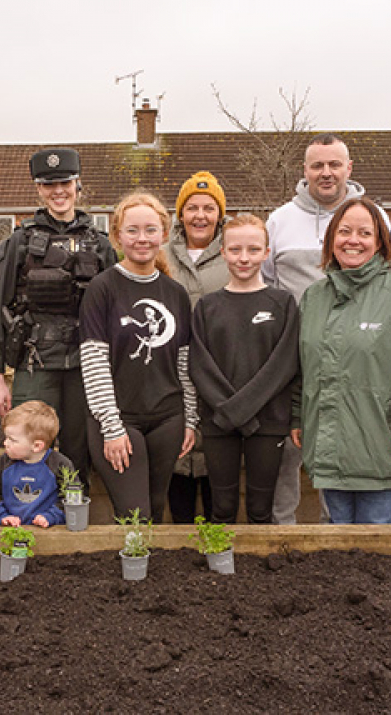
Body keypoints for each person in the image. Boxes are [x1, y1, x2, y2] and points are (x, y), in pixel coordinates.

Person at [292, 198, 391, 524]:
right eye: (345, 231)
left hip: (383, 445)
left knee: (376, 543)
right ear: (331, 238)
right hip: (329, 445)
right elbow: (301, 367)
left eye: (364, 232)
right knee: (334, 536)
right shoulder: (314, 297)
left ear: (380, 242)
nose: (353, 240)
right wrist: (298, 416)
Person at [262, 133, 390, 525]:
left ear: (349, 168)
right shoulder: (280, 221)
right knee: (288, 451)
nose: (326, 172)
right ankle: (283, 530)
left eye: (335, 164)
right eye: (317, 165)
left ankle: (331, 534)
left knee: (340, 447)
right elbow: (267, 286)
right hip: (293, 359)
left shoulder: (374, 217)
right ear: (305, 170)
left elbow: (385, 281)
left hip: (352, 357)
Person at [0, 148, 116, 479]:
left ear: (77, 184)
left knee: (80, 449)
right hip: (35, 361)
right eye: (49, 184)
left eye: (65, 183)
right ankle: (23, 517)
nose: (58, 191)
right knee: (25, 445)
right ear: (39, 189)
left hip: (86, 362)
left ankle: (75, 515)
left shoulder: (99, 243)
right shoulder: (20, 241)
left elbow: (117, 307)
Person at [80, 192, 197, 522]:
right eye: (132, 230)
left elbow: (183, 363)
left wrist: (189, 419)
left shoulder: (175, 292)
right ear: (117, 236)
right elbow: (94, 362)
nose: (142, 239)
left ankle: (149, 573)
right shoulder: (102, 289)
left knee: (156, 507)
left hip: (167, 417)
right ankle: (131, 573)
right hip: (119, 417)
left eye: (150, 229)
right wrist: (112, 426)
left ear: (163, 233)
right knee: (135, 513)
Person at [189, 214, 299, 524]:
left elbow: (283, 365)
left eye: (253, 250)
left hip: (267, 423)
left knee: (261, 508)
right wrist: (232, 414)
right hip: (219, 421)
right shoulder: (207, 307)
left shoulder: (283, 303)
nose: (244, 258)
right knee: (221, 506)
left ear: (266, 252)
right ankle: (221, 569)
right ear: (222, 252)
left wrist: (242, 412)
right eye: (235, 250)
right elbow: (200, 365)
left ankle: (260, 571)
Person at [163, 171, 230, 523]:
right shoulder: (162, 254)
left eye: (208, 208)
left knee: (216, 453)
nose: (200, 216)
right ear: (180, 213)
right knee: (179, 449)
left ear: (219, 213)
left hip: (220, 369)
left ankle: (218, 538)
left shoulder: (233, 253)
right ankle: (182, 533)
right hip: (171, 370)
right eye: (192, 208)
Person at [0, 400, 72, 528]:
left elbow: (70, 499)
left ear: (37, 446)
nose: (5, 443)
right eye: (6, 438)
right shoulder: (2, 465)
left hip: (50, 533)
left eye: (12, 440)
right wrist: (3, 516)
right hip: (9, 532)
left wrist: (50, 517)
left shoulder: (60, 465)